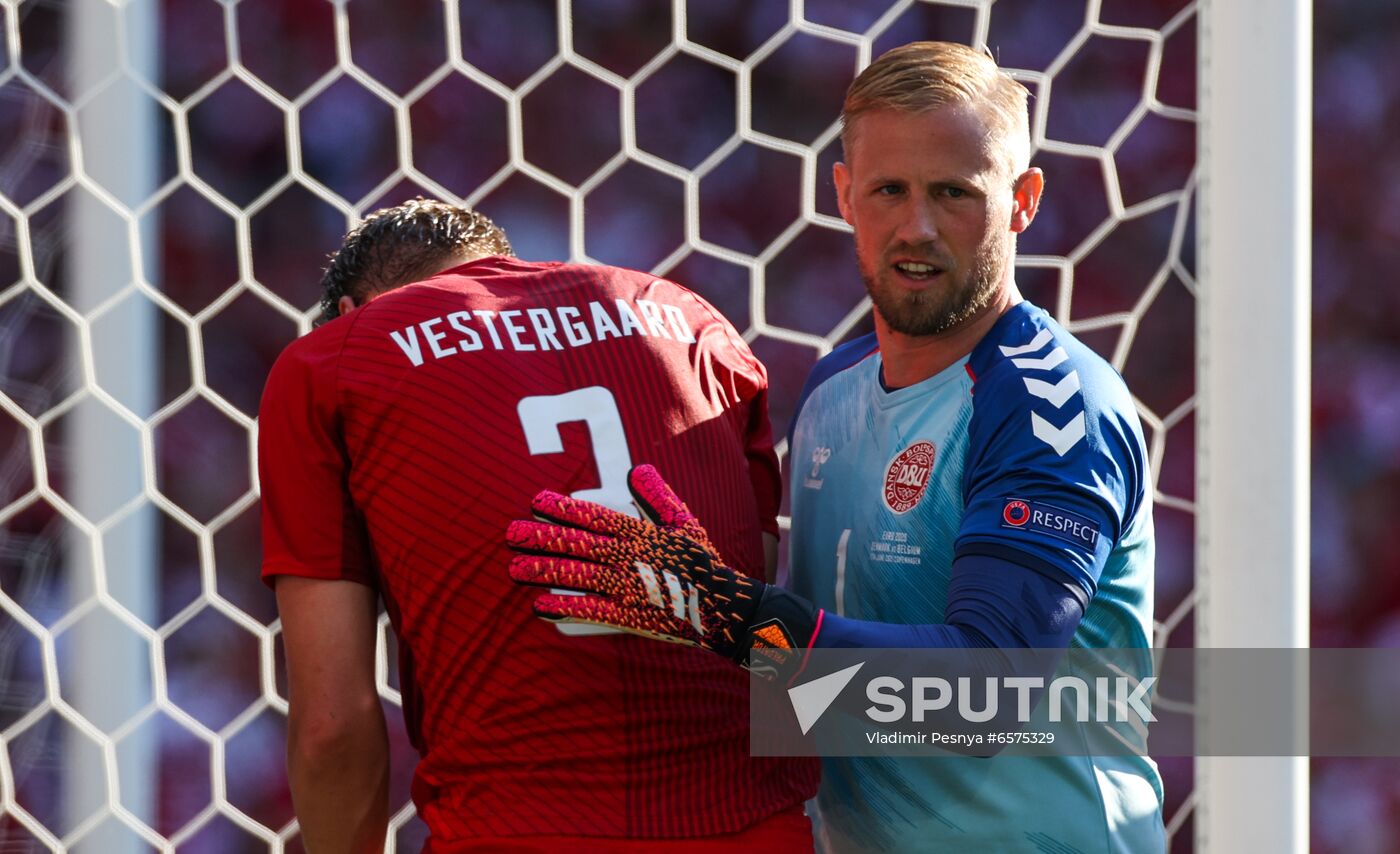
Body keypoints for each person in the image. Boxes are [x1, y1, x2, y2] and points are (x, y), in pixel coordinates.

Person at [506, 42, 1165, 852]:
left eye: (954, 193)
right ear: (845, 195)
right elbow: (804, 686)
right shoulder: (831, 393)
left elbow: (984, 696)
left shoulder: (1050, 406)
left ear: (1023, 201)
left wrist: (726, 613)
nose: (916, 227)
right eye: (890, 189)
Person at [257, 198, 818, 852]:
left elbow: (331, 726)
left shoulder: (340, 357)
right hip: (758, 828)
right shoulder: (699, 322)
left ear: (350, 314)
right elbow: (786, 671)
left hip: (515, 827)